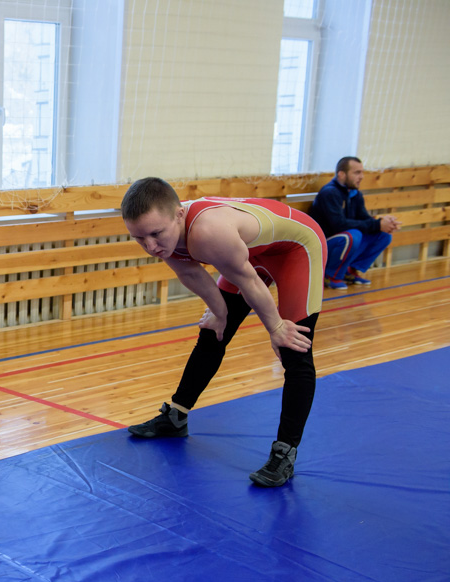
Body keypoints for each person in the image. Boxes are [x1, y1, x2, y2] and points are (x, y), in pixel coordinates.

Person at [121, 177, 327, 487]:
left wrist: (275, 327)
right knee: (212, 332)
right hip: (247, 254)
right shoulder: (167, 236)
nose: (151, 247)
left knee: (293, 348)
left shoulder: (207, 231)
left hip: (295, 249)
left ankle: (285, 452)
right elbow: (192, 274)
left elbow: (249, 281)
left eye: (155, 234)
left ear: (178, 214)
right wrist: (219, 313)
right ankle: (176, 415)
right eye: (140, 239)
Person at [309, 156, 400, 290]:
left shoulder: (355, 194)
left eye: (362, 172)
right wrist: (376, 224)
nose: (362, 176)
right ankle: (330, 275)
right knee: (352, 236)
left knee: (384, 235)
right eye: (357, 173)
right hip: (324, 243)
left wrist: (383, 222)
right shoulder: (330, 193)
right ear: (341, 174)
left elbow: (364, 219)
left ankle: (349, 270)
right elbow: (338, 225)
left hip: (345, 241)